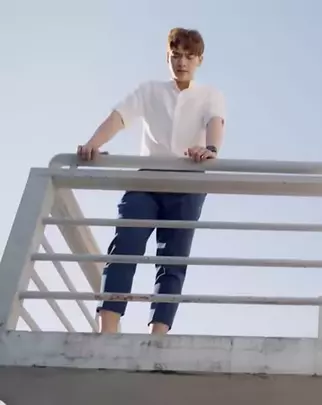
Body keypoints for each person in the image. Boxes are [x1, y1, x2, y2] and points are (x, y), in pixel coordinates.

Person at [76, 27, 226, 335]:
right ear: (167, 57)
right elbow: (119, 117)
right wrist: (93, 143)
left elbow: (215, 121)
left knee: (172, 259)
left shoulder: (209, 95)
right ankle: (108, 329)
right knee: (125, 245)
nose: (181, 62)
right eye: (176, 55)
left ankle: (157, 337)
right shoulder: (150, 91)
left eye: (189, 57)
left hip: (187, 185)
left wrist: (210, 149)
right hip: (146, 182)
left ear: (199, 60)